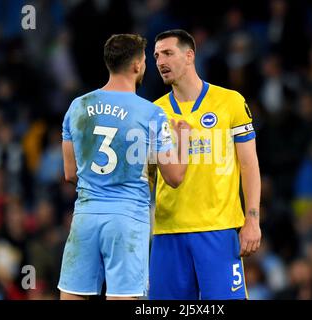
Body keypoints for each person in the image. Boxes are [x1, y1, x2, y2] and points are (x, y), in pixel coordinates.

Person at [57, 34, 189, 300]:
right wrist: (183, 139)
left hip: (85, 217)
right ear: (138, 65)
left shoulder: (77, 107)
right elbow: (174, 177)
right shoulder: (150, 113)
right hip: (127, 220)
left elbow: (70, 173)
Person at [149, 29, 262, 300]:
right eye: (155, 56)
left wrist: (252, 219)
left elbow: (249, 165)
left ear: (189, 56)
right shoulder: (154, 112)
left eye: (167, 53)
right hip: (168, 231)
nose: (160, 61)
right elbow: (148, 176)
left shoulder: (230, 102)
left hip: (218, 230)